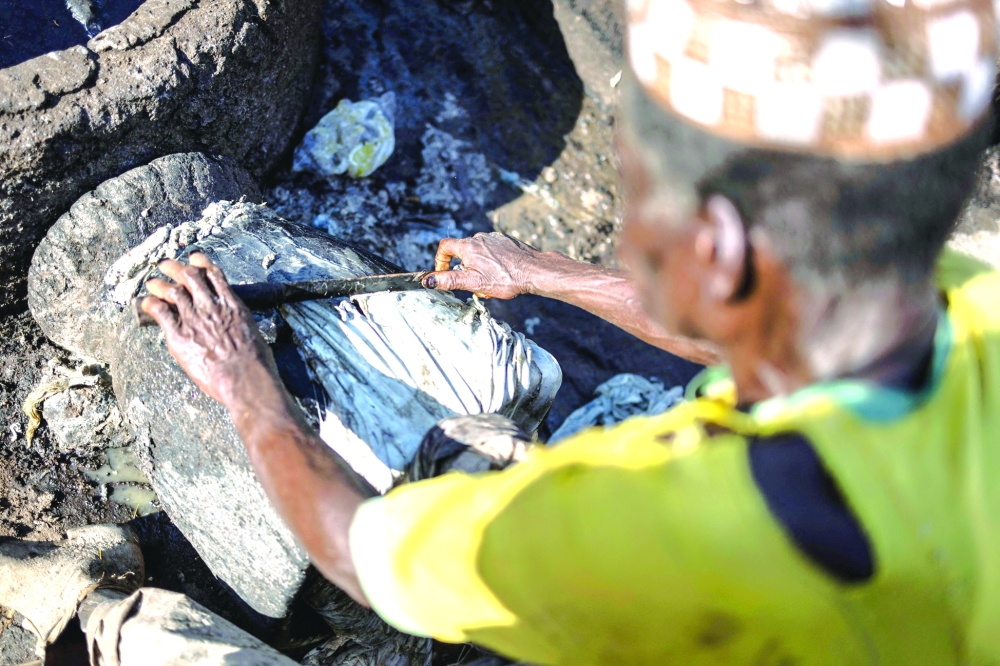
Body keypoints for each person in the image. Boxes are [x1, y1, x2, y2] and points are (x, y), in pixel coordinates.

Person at [141, 0, 1000, 661]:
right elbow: (778, 332)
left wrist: (242, 379)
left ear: (720, 249)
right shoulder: (968, 298)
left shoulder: (636, 521)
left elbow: (363, 556)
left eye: (640, 189)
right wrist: (539, 273)